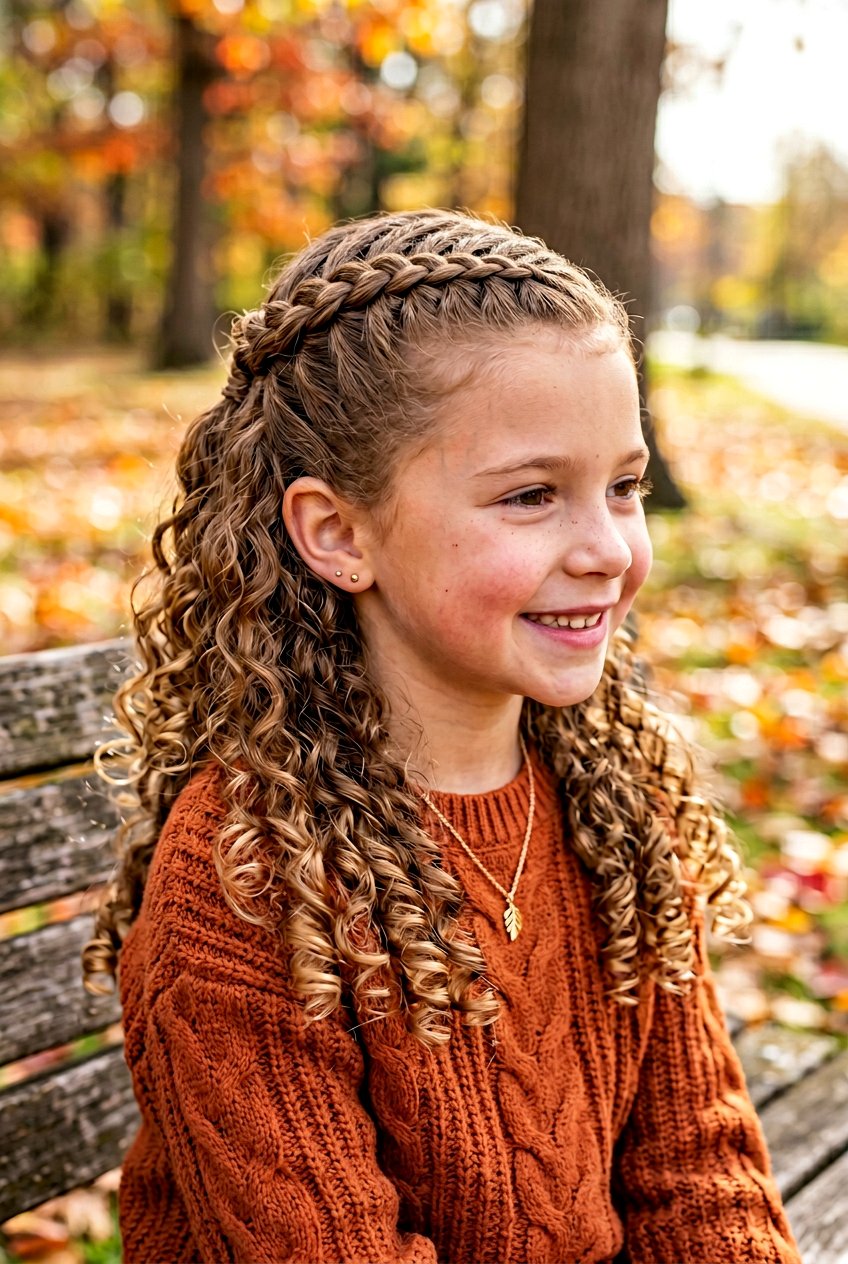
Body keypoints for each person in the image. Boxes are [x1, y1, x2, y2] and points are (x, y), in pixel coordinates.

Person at [84, 208, 801, 1264]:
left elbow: (697, 1175)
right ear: (338, 534)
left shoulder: (606, 800)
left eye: (623, 486)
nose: (606, 548)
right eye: (530, 496)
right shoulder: (250, 879)